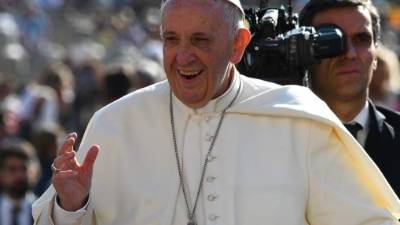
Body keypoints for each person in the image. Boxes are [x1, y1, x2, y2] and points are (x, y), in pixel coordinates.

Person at [33, 0, 400, 224]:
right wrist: (71, 205)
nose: (183, 56)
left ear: (238, 44)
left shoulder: (295, 119)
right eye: (171, 39)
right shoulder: (115, 124)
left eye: (200, 40)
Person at [299, 0, 400, 197]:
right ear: (305, 53)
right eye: (331, 40)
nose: (349, 53)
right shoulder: (279, 141)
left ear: (376, 54)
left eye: (362, 39)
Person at [0, 141, 40, 225]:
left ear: (35, 171)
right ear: (1, 174)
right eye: (12, 169)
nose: (19, 175)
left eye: (24, 169)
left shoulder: (44, 211)